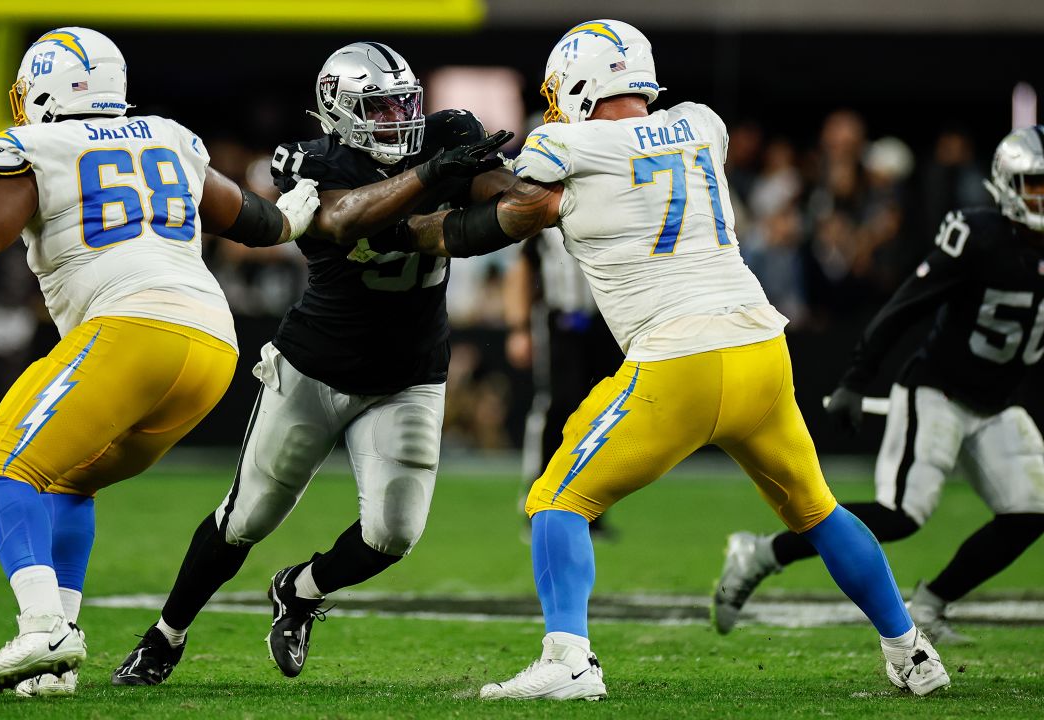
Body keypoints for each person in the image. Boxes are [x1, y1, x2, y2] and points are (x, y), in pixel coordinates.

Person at [388, 19, 950, 701]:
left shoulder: (563, 142)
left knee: (556, 499)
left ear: (581, 81)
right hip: (760, 349)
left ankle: (568, 659)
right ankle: (911, 651)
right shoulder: (702, 124)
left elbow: (517, 200)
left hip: (678, 358)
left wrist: (427, 196)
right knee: (818, 510)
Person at [0, 27, 320, 696]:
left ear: (53, 89)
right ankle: (58, 656)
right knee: (65, 483)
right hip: (212, 346)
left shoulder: (39, 146)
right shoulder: (168, 137)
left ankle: (42, 629)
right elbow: (250, 220)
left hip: (133, 327)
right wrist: (292, 219)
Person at [111, 41, 511, 685]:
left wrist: (531, 189)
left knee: (392, 535)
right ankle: (165, 635)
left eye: (404, 104)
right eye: (379, 108)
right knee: (246, 518)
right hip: (314, 369)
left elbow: (505, 204)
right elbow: (341, 219)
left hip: (409, 374)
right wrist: (434, 176)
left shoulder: (446, 137)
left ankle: (298, 591)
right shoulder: (311, 160)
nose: (398, 120)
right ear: (339, 110)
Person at [714, 126, 1044, 644]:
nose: (1042, 197)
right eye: (1036, 185)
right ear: (1006, 185)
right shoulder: (977, 235)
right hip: (940, 390)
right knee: (900, 515)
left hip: (998, 402)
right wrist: (857, 377)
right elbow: (907, 303)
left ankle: (931, 605)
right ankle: (760, 552)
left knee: (1031, 511)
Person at [505, 227, 623, 540]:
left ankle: (591, 509)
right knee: (557, 406)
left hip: (605, 324)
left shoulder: (610, 207)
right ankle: (537, 501)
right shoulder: (547, 214)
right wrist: (519, 326)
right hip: (559, 323)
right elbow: (523, 266)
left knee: (603, 413)